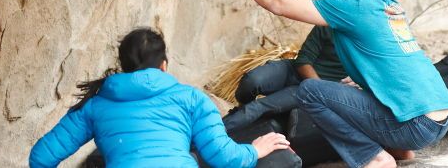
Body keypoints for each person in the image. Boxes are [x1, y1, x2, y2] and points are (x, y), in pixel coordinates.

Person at [205, 0, 448, 168]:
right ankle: (399, 149)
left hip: (416, 125)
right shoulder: (388, 6)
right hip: (440, 117)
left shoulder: (354, 7)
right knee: (354, 89)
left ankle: (373, 157)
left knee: (310, 91)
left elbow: (277, 5)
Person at [28, 28, 290, 168]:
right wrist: (255, 149)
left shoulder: (96, 104)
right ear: (164, 65)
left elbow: (41, 158)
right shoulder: (191, 98)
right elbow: (224, 158)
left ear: (124, 65)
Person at [224, 0, 348, 132]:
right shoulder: (335, 16)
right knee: (252, 80)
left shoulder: (367, 36)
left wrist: (323, 89)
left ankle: (209, 136)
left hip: (312, 89)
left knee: (258, 107)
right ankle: (241, 111)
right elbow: (303, 59)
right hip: (297, 71)